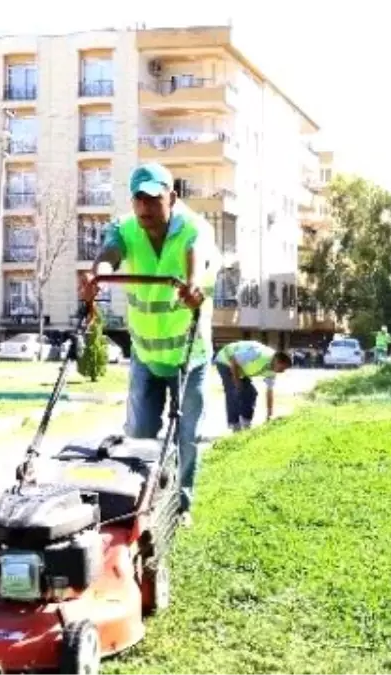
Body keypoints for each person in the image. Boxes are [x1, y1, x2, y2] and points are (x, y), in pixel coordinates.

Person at [82, 162, 215, 524]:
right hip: (144, 353)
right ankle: (141, 504)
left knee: (187, 435)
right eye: (139, 199)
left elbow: (197, 255)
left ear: (172, 197)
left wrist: (192, 285)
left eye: (154, 199)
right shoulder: (125, 228)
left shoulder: (194, 227)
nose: (145, 208)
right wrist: (98, 276)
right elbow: (110, 252)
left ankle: (182, 506)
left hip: (189, 357)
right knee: (139, 433)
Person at [213, 340, 292, 431]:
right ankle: (235, 425)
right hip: (225, 360)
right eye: (282, 368)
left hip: (240, 367)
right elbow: (233, 360)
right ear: (277, 361)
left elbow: (269, 391)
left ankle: (246, 423)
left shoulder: (272, 371)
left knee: (251, 393)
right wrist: (237, 381)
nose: (282, 372)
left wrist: (269, 415)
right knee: (234, 391)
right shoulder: (257, 354)